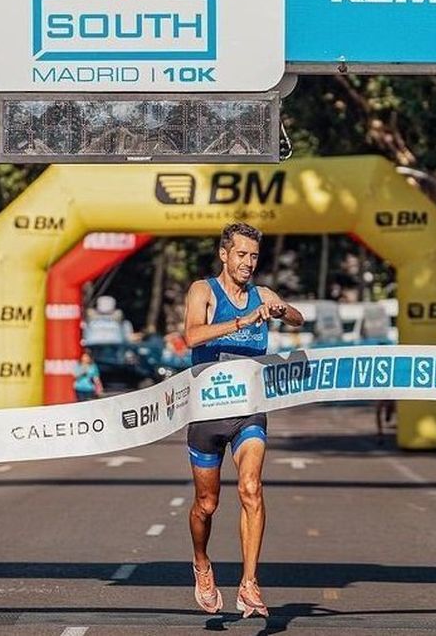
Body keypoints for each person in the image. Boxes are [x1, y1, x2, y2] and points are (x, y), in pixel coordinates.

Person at [182, 222, 303, 619]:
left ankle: (249, 583)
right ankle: (202, 563)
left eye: (253, 256)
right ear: (224, 255)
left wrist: (280, 310)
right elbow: (191, 336)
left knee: (251, 489)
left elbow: (298, 319)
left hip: (249, 410)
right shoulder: (203, 291)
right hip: (207, 413)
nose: (248, 263)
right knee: (207, 504)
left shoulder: (262, 294)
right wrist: (242, 321)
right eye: (241, 255)